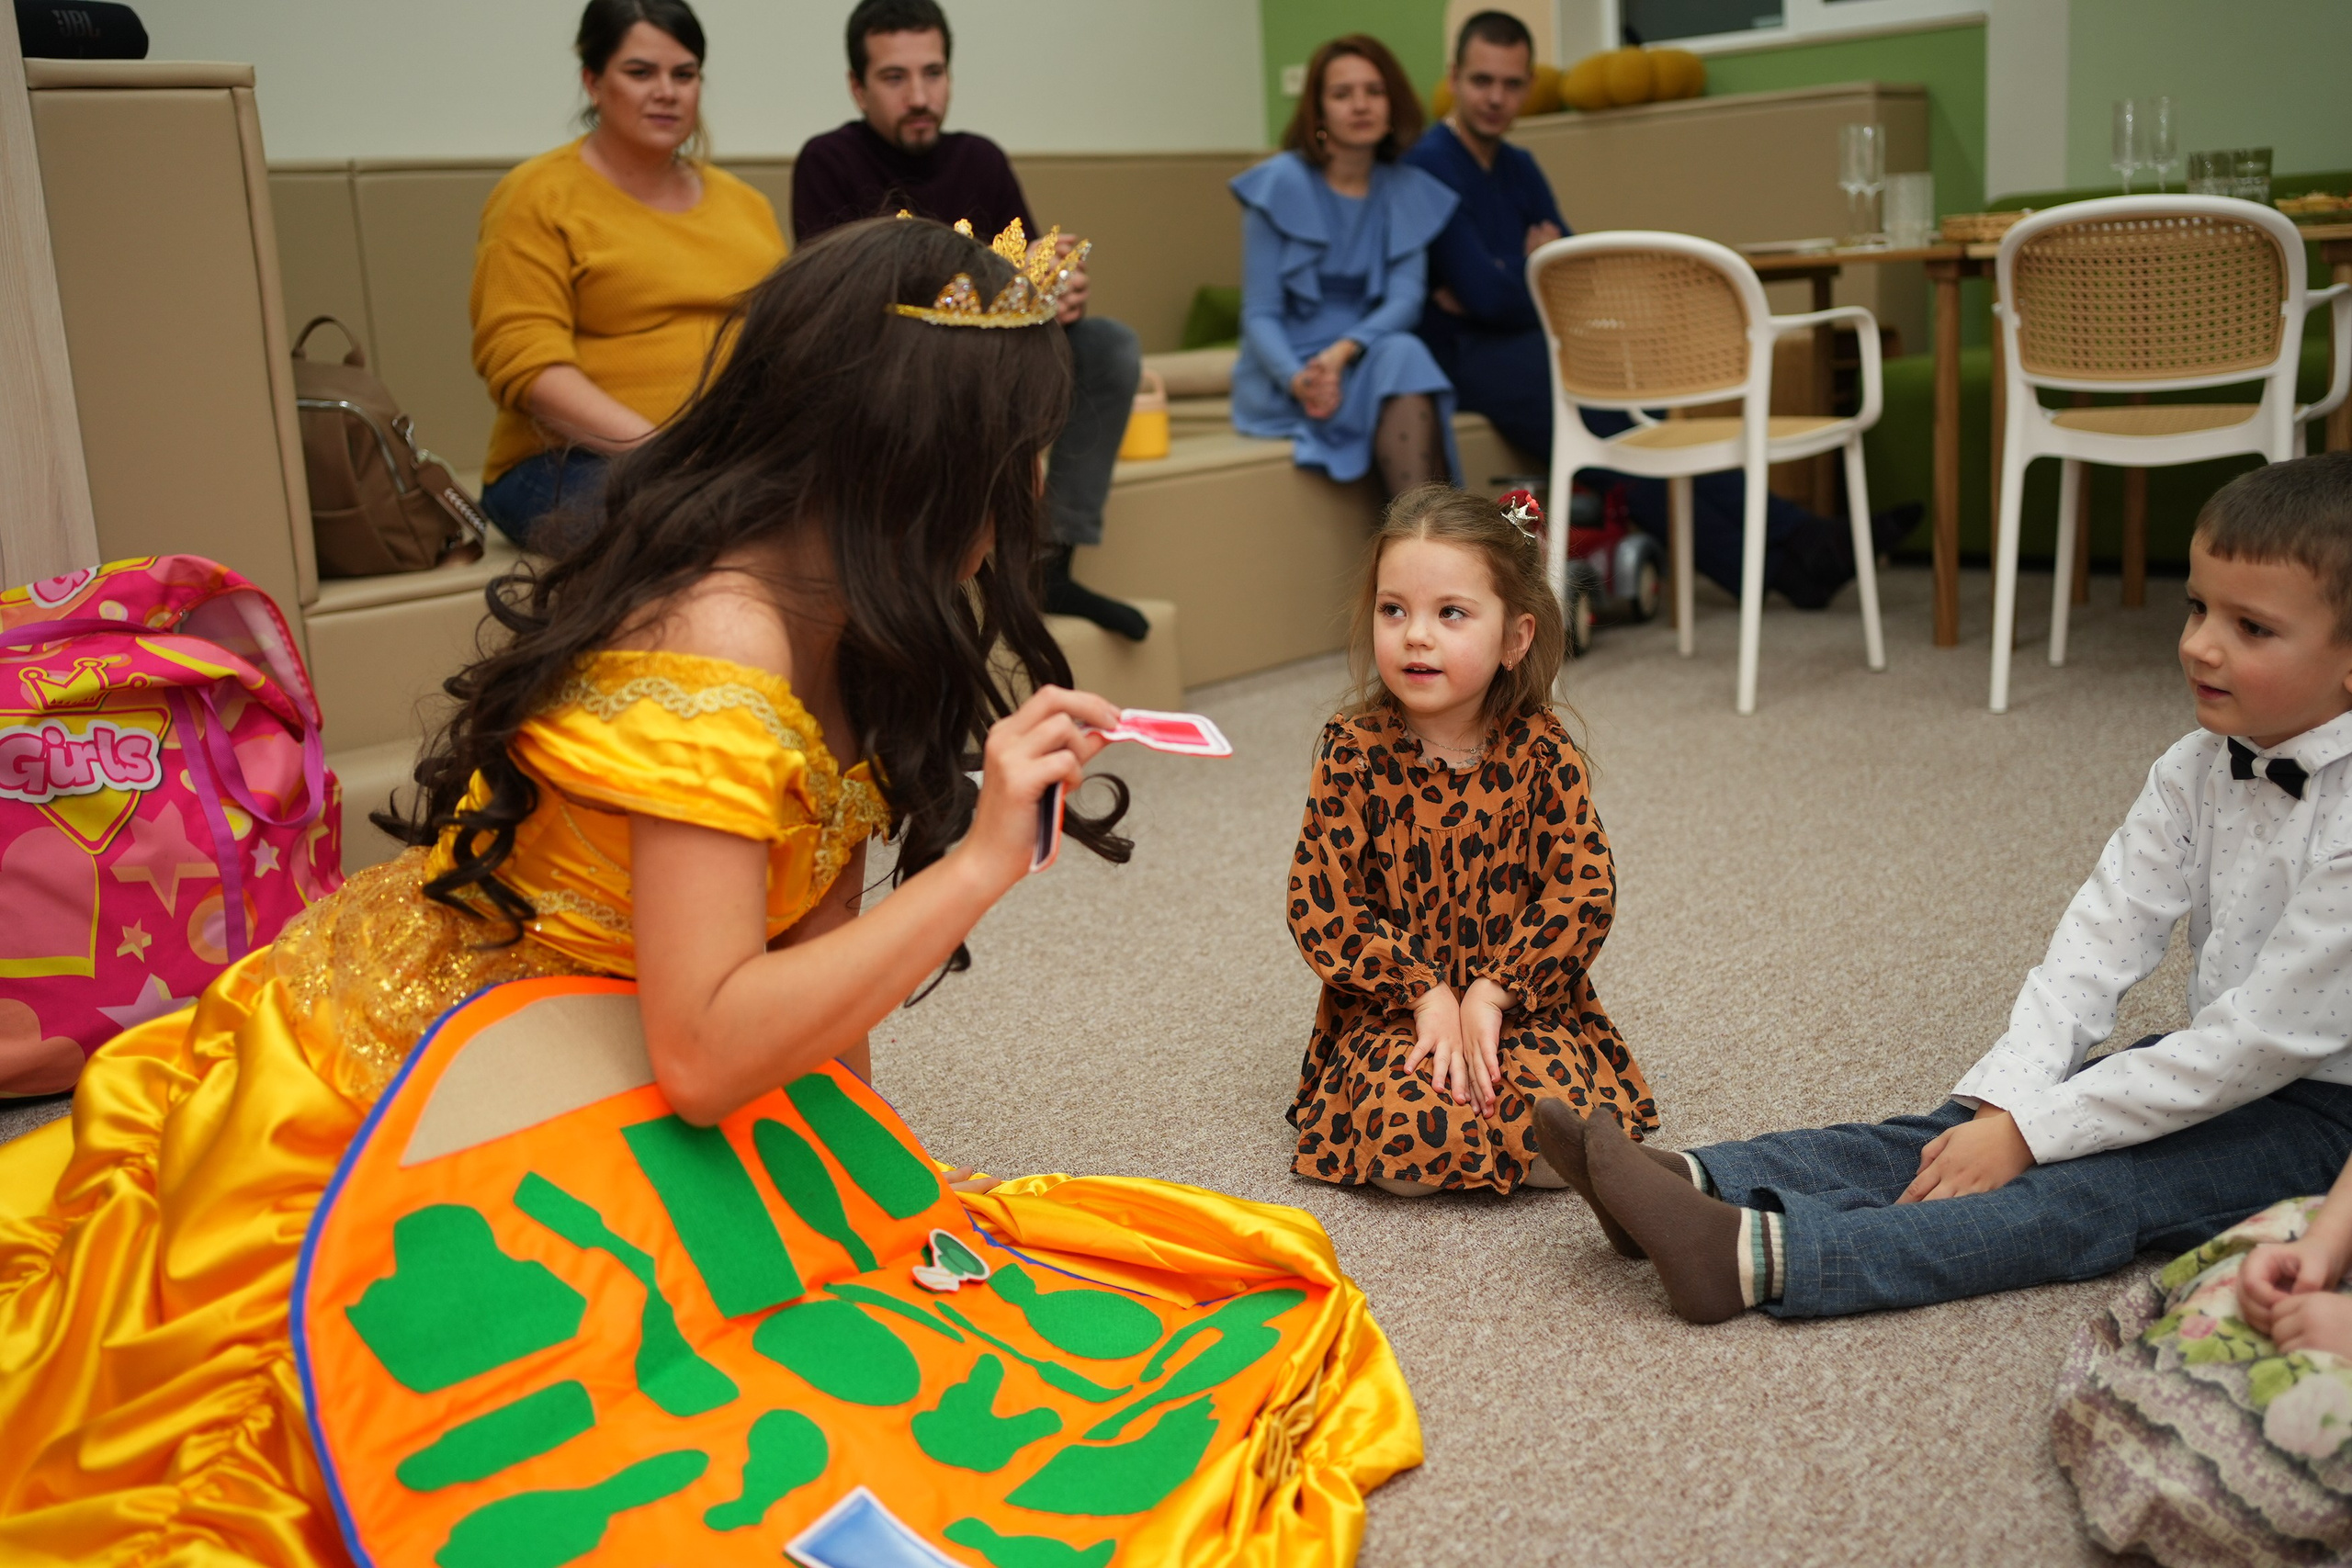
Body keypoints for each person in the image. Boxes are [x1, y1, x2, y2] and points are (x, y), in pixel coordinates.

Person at [0, 217, 1416, 1563]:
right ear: (914, 461)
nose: (1034, 493)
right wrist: (986, 860)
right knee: (528, 1399)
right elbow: (700, 1054)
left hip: (643, 1020)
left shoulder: (850, 604)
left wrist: (856, 1202)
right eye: (1016, 456)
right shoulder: (722, 640)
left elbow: (811, 954)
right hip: (461, 1066)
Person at [1535, 452, 2352, 1322]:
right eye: (2196, 606)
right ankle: (1700, 1180)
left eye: (2251, 628)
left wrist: (2036, 1134)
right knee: (1960, 1127)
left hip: (2321, 1130)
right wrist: (2012, 1100)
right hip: (2212, 1066)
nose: (2198, 643)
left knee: (2093, 1190)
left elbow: (2251, 1045)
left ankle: (1755, 1257)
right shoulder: (2192, 767)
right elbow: (2100, 936)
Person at [1400, 9, 1911, 609]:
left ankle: (1787, 559)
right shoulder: (1427, 165)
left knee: (1636, 441)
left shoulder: (1519, 165)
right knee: (1626, 435)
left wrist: (1513, 272)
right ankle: (1796, 539)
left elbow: (1573, 278)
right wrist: (1528, 266)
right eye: (1482, 81)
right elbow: (1490, 297)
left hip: (1535, 346)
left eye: (1512, 84)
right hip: (1465, 360)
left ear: (1529, 86)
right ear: (1454, 77)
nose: (1496, 97)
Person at [1288, 485, 1656, 1196]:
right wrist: (1423, 991)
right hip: (1396, 1010)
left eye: (1449, 613)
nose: (1415, 635)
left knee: (1561, 1135)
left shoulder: (1542, 750)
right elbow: (1320, 900)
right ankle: (1424, 1103)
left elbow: (1583, 889)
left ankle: (1505, 1082)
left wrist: (1493, 990)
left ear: (1515, 637)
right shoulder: (1352, 752)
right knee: (1410, 1152)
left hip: (1522, 999)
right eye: (1394, 610)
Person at [790, 0, 1148, 642]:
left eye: (934, 72)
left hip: (1001, 362)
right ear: (857, 87)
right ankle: (918, 573)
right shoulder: (827, 160)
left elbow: (1034, 284)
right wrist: (1002, 284)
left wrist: (1057, 292)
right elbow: (839, 308)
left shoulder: (981, 157)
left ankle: (1051, 563)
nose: (921, 95)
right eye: (896, 78)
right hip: (891, 371)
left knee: (1109, 345)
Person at [470, 0, 786, 552]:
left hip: (724, 457)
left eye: (683, 75)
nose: (666, 91)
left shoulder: (747, 205)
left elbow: (785, 343)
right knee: (699, 533)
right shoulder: (537, 195)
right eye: (640, 72)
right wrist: (666, 450)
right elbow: (526, 364)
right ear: (593, 82)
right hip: (565, 462)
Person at [1231, 36, 1461, 502]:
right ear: (1318, 112)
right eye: (1342, 94)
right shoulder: (1279, 184)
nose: (1361, 105)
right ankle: (1432, 544)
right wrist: (1301, 378)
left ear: (1392, 102)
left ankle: (1418, 538)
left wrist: (1342, 353)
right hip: (1290, 373)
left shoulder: (1407, 189)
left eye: (1374, 92)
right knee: (1403, 356)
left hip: (1360, 355)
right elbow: (1259, 312)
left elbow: (1405, 299)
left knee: (1405, 351)